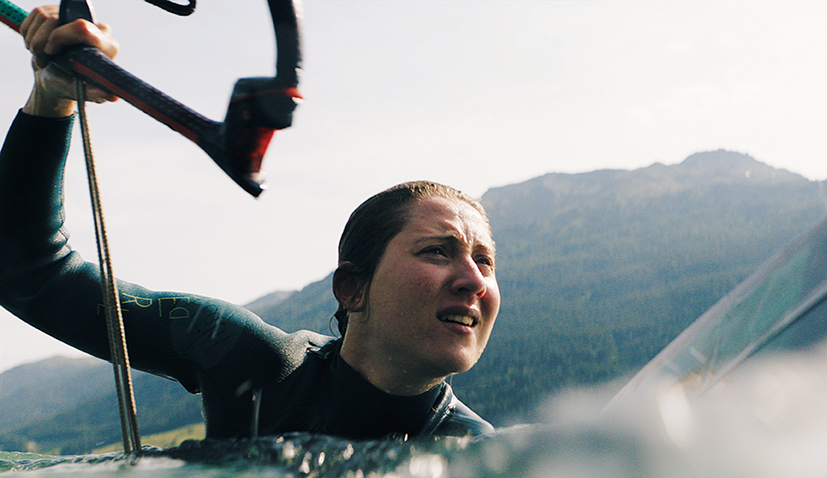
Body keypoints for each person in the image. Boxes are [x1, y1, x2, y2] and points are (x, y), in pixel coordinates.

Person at [0, 6, 500, 440]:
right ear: (351, 289)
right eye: (437, 251)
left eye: (485, 262)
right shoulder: (240, 354)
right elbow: (30, 273)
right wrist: (53, 95)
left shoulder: (477, 452)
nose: (474, 280)